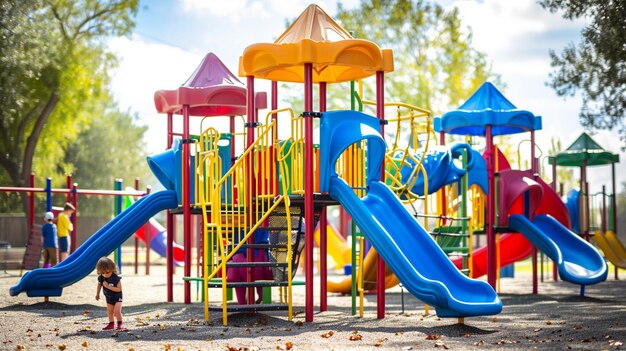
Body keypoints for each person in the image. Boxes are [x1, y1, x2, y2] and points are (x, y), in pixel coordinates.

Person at [226, 228, 273, 304]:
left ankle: (241, 304)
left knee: (237, 279)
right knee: (260, 275)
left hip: (238, 260)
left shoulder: (238, 231)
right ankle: (261, 295)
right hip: (259, 261)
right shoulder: (263, 230)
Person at [95, 257, 124, 330]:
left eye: (107, 272)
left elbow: (119, 289)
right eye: (102, 273)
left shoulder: (115, 278)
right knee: (110, 311)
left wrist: (108, 286)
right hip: (108, 297)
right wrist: (97, 294)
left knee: (117, 311)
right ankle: (111, 324)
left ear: (112, 268)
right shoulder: (101, 278)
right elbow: (99, 284)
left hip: (117, 297)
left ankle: (119, 324)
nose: (105, 275)